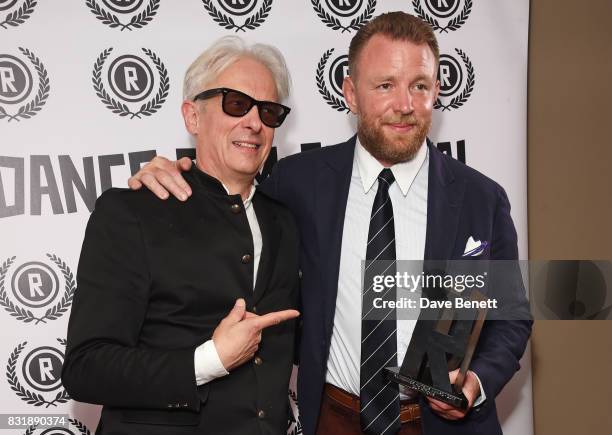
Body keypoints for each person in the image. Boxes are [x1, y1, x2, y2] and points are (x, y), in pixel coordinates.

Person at [129, 13, 532, 435]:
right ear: (351, 94)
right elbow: (227, 191)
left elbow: (511, 316)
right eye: (385, 86)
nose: (405, 105)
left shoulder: (480, 199)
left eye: (420, 86)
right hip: (333, 419)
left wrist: (478, 382)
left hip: (443, 424)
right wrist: (173, 172)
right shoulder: (297, 183)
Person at [62, 36, 301, 435]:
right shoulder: (132, 212)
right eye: (236, 104)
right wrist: (209, 360)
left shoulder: (286, 221)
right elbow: (86, 368)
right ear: (192, 116)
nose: (254, 123)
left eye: (269, 111)